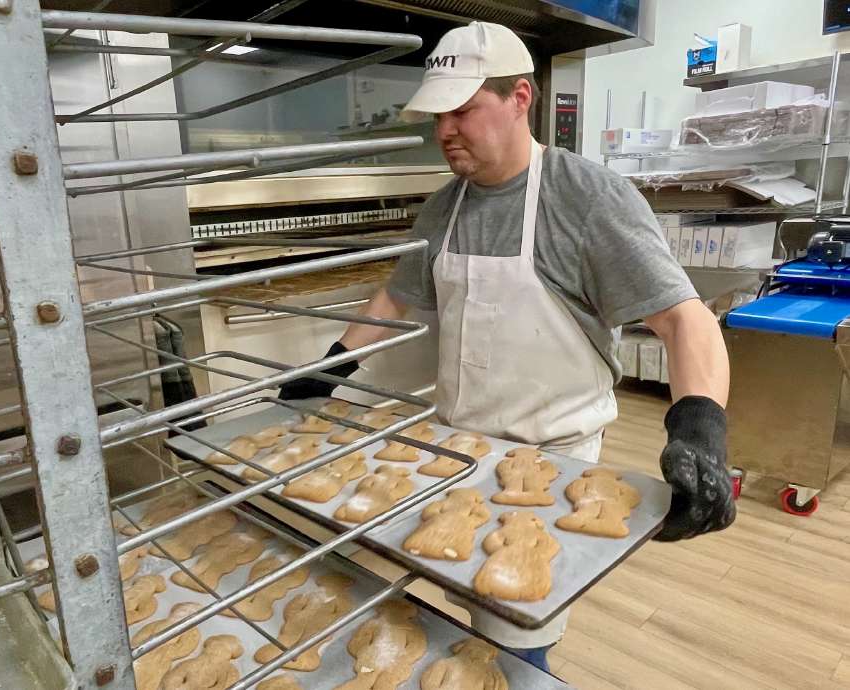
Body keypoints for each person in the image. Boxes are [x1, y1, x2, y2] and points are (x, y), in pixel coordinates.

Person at [279, 21, 735, 671]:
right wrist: (332, 366)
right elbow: (396, 297)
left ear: (521, 98)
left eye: (463, 109)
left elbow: (684, 320)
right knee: (448, 610)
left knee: (515, 640)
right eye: (439, 114)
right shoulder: (444, 207)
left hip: (552, 464)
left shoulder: (588, 200)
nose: (445, 131)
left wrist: (700, 427)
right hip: (458, 446)